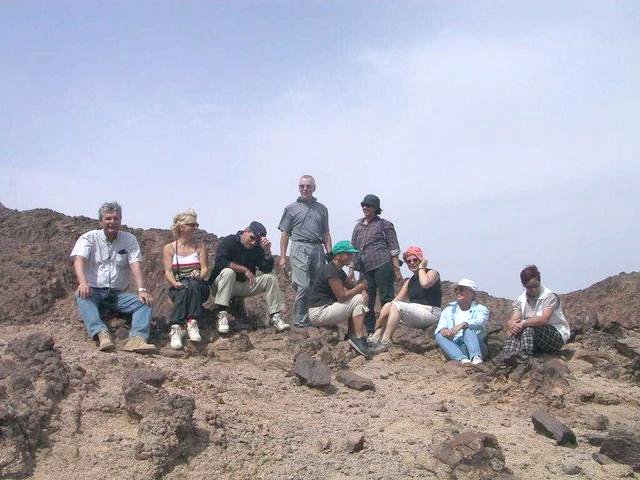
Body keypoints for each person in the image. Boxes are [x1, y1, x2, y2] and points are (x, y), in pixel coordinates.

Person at [70, 201, 156, 353]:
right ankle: (101, 333)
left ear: (121, 220)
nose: (112, 222)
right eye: (108, 218)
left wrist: (142, 290)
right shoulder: (89, 238)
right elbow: (79, 260)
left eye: (116, 219)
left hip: (117, 295)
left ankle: (137, 339)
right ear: (101, 221)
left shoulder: (129, 239)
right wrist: (83, 283)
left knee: (145, 302)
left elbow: (135, 264)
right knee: (81, 295)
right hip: (94, 292)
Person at [208, 221, 289, 334]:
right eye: (252, 238)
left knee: (270, 279)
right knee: (228, 272)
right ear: (246, 231)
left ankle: (275, 317)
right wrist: (244, 270)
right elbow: (220, 261)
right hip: (222, 285)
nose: (253, 242)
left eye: (257, 241)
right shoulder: (230, 241)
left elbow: (266, 269)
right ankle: (222, 313)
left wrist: (267, 251)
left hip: (243, 285)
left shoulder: (256, 248)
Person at [278, 175, 332, 328]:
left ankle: (315, 318)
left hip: (318, 248)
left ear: (314, 188)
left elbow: (326, 233)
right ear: (299, 188)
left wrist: (330, 254)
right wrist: (283, 257)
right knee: (303, 285)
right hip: (299, 247)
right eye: (302, 186)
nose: (305, 189)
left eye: (308, 186)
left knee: (317, 285)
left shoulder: (322, 209)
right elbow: (285, 233)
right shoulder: (291, 208)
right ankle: (300, 321)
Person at [368, 246, 442, 353]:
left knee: (396, 306)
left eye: (415, 260)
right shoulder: (409, 282)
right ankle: (376, 336)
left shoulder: (432, 273)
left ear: (421, 260)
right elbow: (394, 302)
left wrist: (421, 268)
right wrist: (381, 319)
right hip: (417, 312)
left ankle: (385, 341)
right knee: (388, 305)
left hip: (432, 311)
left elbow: (425, 283)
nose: (412, 263)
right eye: (408, 261)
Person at [308, 241, 370, 357]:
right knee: (358, 299)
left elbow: (352, 286)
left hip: (323, 311)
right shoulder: (331, 270)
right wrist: (361, 287)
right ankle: (359, 338)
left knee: (357, 298)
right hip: (319, 313)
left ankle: (353, 336)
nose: (351, 257)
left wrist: (361, 289)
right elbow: (342, 297)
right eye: (348, 254)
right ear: (338, 256)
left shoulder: (337, 270)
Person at [351, 194, 402, 333]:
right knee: (366, 300)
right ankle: (370, 330)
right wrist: (351, 271)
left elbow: (394, 248)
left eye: (369, 205)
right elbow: (353, 249)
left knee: (386, 297)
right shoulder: (358, 227)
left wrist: (397, 270)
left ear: (376, 208)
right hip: (364, 269)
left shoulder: (384, 224)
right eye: (363, 205)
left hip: (382, 264)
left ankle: (385, 330)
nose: (365, 207)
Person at [162, 209, 210, 350]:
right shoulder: (169, 248)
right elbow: (168, 271)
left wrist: (200, 275)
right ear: (181, 227)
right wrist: (174, 282)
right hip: (179, 286)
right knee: (184, 287)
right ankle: (180, 326)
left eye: (196, 224)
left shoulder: (200, 246)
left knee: (192, 284)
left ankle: (188, 323)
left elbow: (205, 268)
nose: (195, 227)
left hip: (198, 286)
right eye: (191, 224)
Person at [502, 265, 570, 356]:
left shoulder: (549, 296)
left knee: (528, 329)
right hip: (533, 338)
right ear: (524, 285)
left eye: (536, 285)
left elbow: (543, 319)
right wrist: (511, 324)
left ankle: (525, 358)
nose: (533, 289)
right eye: (530, 287)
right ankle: (508, 358)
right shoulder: (520, 300)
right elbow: (515, 318)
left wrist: (523, 323)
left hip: (554, 334)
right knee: (513, 332)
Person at [434, 279, 489, 364]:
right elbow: (441, 326)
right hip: (455, 348)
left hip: (476, 346)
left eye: (461, 289)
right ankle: (463, 360)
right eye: (456, 289)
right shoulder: (448, 310)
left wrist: (462, 325)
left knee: (468, 329)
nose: (458, 292)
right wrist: (444, 331)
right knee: (439, 335)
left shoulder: (481, 309)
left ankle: (476, 358)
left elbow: (480, 322)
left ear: (472, 292)